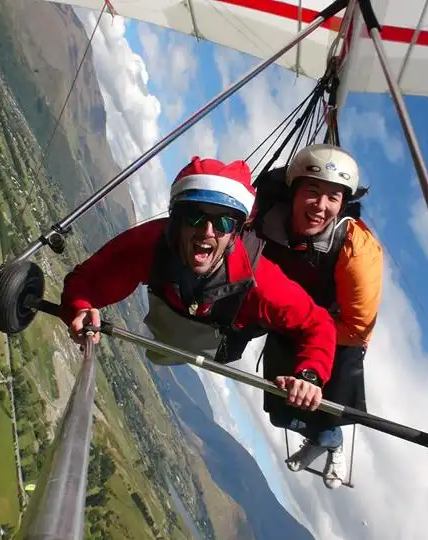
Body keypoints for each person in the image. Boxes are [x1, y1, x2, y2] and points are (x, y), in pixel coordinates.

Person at [59, 156, 341, 415]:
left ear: (236, 232)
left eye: (223, 222)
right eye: (196, 216)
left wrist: (310, 376)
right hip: (169, 324)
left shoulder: (259, 281)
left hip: (219, 342)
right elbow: (89, 279)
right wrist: (80, 307)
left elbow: (318, 324)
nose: (207, 232)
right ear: (177, 219)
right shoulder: (152, 243)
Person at [248, 143, 384, 489]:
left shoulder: (355, 250)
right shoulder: (267, 217)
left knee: (323, 412)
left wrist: (311, 328)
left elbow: (356, 329)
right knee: (281, 409)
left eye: (333, 198)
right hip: (287, 317)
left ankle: (329, 441)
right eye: (313, 191)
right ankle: (319, 438)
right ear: (293, 190)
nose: (321, 207)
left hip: (338, 334)